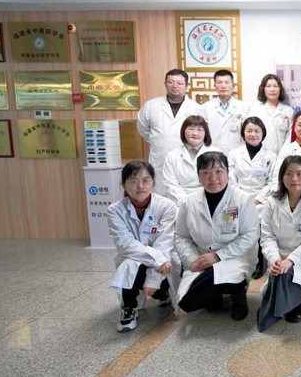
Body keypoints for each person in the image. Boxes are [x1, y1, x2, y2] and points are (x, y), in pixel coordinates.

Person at [175, 152, 259, 321]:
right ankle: (214, 292)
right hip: (200, 257)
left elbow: (250, 235)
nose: (213, 178)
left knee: (224, 275)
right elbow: (181, 236)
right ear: (198, 176)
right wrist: (192, 261)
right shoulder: (188, 202)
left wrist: (218, 256)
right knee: (187, 302)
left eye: (218, 171)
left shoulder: (242, 200)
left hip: (235, 257)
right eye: (206, 172)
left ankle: (238, 295)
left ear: (228, 173)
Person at [258, 156, 301, 330]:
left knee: (287, 274)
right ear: (282, 177)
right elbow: (267, 237)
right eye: (288, 174)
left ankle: (298, 298)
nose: (294, 178)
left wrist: (291, 260)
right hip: (280, 257)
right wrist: (275, 259)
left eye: (299, 174)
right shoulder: (272, 203)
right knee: (281, 273)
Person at [108, 161, 178, 332]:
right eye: (133, 181)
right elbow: (125, 244)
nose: (140, 186)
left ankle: (161, 292)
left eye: (146, 180)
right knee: (129, 264)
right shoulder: (115, 210)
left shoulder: (167, 206)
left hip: (164, 260)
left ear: (153, 182)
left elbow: (164, 243)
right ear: (123, 185)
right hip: (137, 258)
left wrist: (153, 279)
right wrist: (157, 259)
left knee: (165, 266)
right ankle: (129, 307)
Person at [136, 69, 203, 195]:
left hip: (186, 160)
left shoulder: (196, 108)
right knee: (161, 198)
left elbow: (201, 134)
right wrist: (158, 140)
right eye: (171, 82)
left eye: (179, 83)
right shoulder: (151, 106)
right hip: (160, 159)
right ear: (165, 84)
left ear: (187, 86)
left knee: (185, 199)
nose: (175, 86)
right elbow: (143, 128)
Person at [228, 116, 277, 280]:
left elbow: (273, 182)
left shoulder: (271, 156)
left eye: (257, 131)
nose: (253, 134)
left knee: (261, 224)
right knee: (236, 225)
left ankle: (258, 261)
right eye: (249, 131)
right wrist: (243, 199)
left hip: (262, 199)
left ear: (263, 133)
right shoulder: (234, 154)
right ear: (243, 133)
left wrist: (258, 199)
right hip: (238, 198)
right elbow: (230, 180)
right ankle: (240, 258)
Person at [162, 115, 219, 206]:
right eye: (191, 129)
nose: (195, 133)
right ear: (183, 131)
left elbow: (220, 181)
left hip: (210, 200)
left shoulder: (216, 153)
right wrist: (186, 202)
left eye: (199, 130)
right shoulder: (172, 156)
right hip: (180, 203)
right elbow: (170, 184)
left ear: (206, 133)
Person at [202, 70, 249, 153]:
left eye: (227, 82)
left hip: (237, 154)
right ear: (214, 86)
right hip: (212, 153)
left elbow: (248, 132)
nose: (223, 86)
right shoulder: (205, 108)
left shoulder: (243, 107)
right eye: (219, 82)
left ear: (233, 85)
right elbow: (202, 133)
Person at [249, 73, 294, 155]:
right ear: (263, 89)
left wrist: (284, 153)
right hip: (260, 154)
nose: (272, 89)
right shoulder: (255, 110)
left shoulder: (288, 111)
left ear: (280, 89)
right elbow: (251, 133)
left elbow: (290, 134)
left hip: (283, 155)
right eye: (268, 86)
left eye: (275, 86)